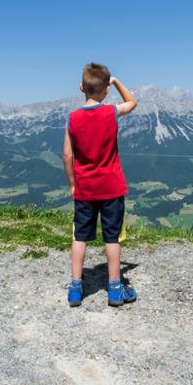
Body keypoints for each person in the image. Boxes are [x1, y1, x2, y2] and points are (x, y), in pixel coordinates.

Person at [62, 63, 138, 307]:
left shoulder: (72, 119)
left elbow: (66, 155)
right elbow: (132, 102)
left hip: (84, 188)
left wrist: (73, 183)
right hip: (112, 188)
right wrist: (115, 82)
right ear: (105, 91)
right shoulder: (111, 112)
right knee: (111, 238)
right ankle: (115, 289)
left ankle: (75, 288)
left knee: (80, 237)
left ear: (81, 87)